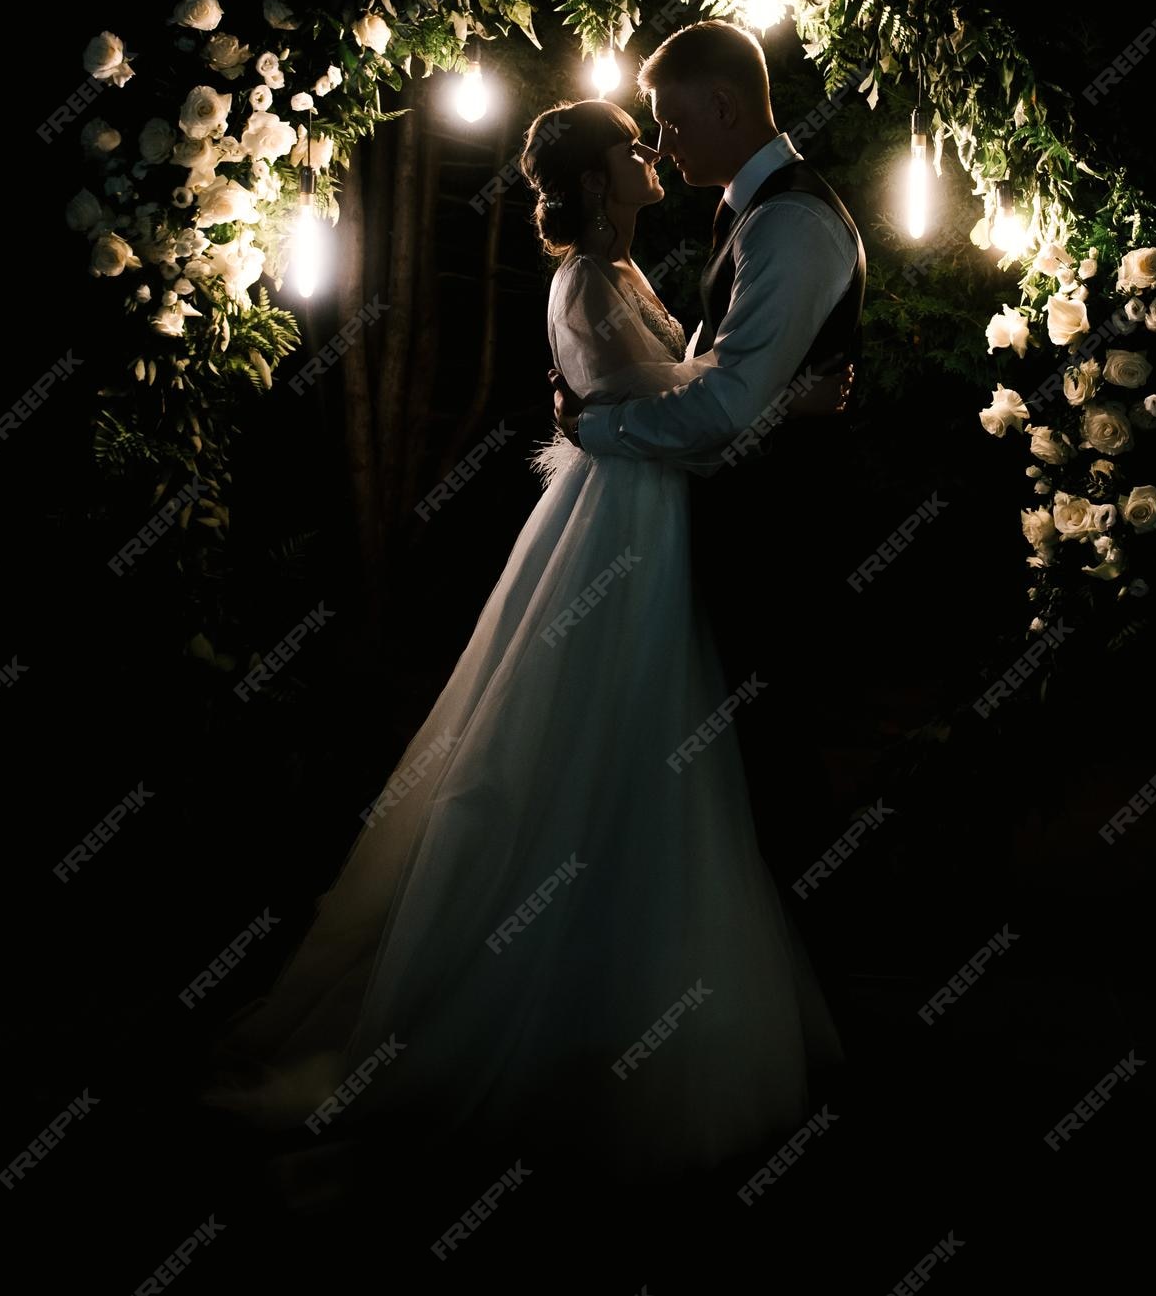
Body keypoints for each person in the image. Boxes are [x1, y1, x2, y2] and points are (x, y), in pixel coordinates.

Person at [198, 97, 847, 1183]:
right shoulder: (584, 283)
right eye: (633, 149)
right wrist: (782, 400)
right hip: (619, 536)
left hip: (651, 522)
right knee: (588, 739)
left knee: (639, 746)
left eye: (657, 139)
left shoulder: (631, 276)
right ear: (596, 180)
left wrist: (766, 396)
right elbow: (654, 402)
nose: (653, 155)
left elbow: (697, 389)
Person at [552, 22, 867, 953]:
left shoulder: (791, 221)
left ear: (723, 105)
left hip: (772, 545)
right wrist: (791, 401)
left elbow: (723, 406)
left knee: (768, 768)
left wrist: (593, 430)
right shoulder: (749, 212)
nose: (660, 143)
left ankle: (801, 988)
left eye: (670, 120)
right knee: (737, 767)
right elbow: (723, 379)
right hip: (727, 536)